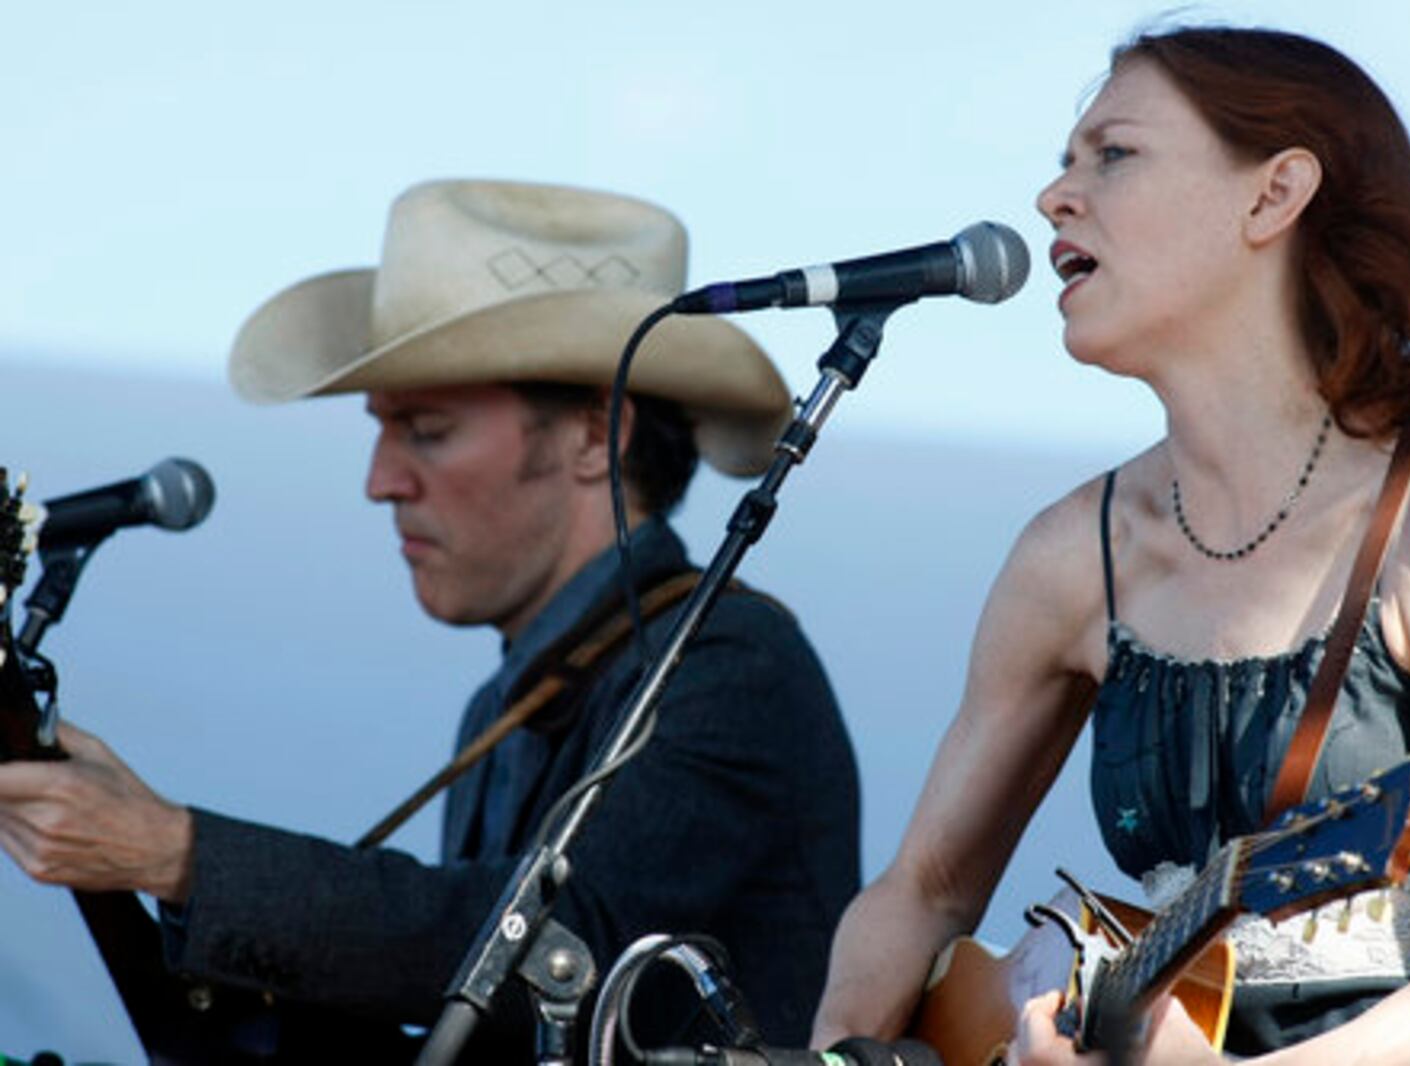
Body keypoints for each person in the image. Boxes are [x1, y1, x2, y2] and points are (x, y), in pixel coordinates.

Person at [810, 26, 1410, 1065]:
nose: (1053, 197)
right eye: (1065, 160)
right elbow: (924, 888)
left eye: (1112, 154)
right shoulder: (1073, 554)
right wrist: (837, 1045)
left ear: (1272, 195)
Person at [0, 180, 861, 1061]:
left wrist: (176, 854)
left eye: (428, 430)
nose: (381, 480)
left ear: (593, 436)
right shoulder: (511, 700)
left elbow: (557, 958)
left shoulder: (731, 666)